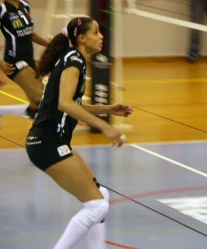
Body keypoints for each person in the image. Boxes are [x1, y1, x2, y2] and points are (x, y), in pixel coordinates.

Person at [25, 16, 131, 249]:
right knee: (97, 206)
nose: (101, 36)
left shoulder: (73, 59)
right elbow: (65, 104)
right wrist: (105, 127)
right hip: (47, 142)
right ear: (82, 39)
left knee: (100, 195)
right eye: (96, 32)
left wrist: (108, 109)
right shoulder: (75, 61)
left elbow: (72, 104)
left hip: (50, 141)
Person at [0, 0, 48, 123]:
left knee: (36, 106)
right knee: (46, 99)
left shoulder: (25, 5)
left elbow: (30, 33)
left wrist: (49, 44)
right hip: (14, 63)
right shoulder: (2, 10)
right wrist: (0, 63)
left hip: (30, 61)